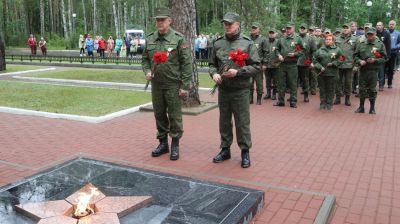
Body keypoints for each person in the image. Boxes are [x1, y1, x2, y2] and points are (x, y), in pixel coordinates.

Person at [209, 12, 260, 168]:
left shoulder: (247, 43)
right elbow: (211, 64)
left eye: (230, 24)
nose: (227, 26)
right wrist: (214, 73)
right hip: (224, 90)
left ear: (238, 25)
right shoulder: (218, 43)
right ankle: (225, 149)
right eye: (225, 23)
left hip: (240, 90)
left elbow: (256, 66)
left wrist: (238, 72)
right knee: (224, 122)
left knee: (242, 122)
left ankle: (245, 151)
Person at [142, 7, 192, 161]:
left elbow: (186, 63)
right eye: (157, 20)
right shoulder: (150, 39)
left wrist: (184, 86)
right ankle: (163, 143)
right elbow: (145, 60)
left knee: (175, 115)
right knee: (159, 114)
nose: (160, 22)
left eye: (162, 20)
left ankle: (175, 144)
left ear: (170, 21)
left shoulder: (178, 38)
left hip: (173, 84)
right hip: (156, 85)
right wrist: (147, 72)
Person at [354, 27, 387, 114]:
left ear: (375, 34)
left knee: (372, 90)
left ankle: (372, 108)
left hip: (373, 71)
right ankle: (361, 107)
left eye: (371, 34)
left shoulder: (380, 44)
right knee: (362, 89)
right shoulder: (361, 44)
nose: (370, 36)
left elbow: (385, 58)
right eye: (368, 34)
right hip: (363, 70)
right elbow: (355, 56)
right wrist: (359, 61)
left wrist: (375, 60)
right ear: (366, 34)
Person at [274, 22, 304, 108]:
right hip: (282, 65)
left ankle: (293, 101)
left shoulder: (298, 39)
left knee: (293, 84)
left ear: (293, 29)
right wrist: (278, 55)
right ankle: (280, 101)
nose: (288, 30)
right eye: (287, 28)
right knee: (281, 83)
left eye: (290, 28)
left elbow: (302, 50)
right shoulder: (281, 39)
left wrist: (295, 54)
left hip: (292, 65)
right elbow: (276, 49)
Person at [312, 34, 344, 110]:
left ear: (333, 41)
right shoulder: (320, 50)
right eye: (326, 39)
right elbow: (314, 60)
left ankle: (329, 104)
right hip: (322, 73)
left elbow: (342, 59)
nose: (328, 41)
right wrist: (320, 67)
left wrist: (333, 63)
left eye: (330, 39)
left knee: (331, 89)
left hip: (332, 73)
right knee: (322, 89)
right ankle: (322, 103)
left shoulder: (337, 49)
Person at [334, 23, 358, 106]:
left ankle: (347, 99)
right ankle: (337, 98)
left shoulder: (355, 39)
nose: (345, 29)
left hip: (349, 65)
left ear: (350, 29)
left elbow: (357, 53)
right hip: (338, 64)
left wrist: (356, 65)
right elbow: (334, 51)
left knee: (348, 82)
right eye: (343, 28)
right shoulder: (337, 39)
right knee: (337, 82)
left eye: (347, 28)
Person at [249, 22, 267, 105]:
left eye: (255, 28)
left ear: (258, 29)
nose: (253, 29)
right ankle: (250, 99)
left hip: (258, 64)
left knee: (259, 82)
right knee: (249, 83)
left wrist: (264, 64)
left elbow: (266, 52)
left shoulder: (262, 39)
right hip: (249, 65)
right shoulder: (247, 39)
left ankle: (259, 99)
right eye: (252, 28)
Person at [297, 23, 316, 103]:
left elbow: (314, 51)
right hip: (294, 62)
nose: (302, 29)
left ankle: (306, 95)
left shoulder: (310, 39)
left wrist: (310, 62)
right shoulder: (295, 38)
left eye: (303, 28)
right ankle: (293, 96)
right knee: (293, 80)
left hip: (305, 62)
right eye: (301, 28)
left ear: (306, 30)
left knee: (305, 80)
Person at [264, 28, 279, 101]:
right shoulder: (265, 42)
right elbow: (263, 52)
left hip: (275, 65)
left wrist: (278, 63)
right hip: (267, 65)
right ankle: (268, 93)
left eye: (272, 33)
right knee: (267, 80)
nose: (271, 34)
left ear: (275, 34)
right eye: (270, 33)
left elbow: (281, 53)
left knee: (275, 80)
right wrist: (263, 63)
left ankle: (274, 94)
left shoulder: (278, 42)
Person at [376, 22, 391, 91]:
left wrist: (387, 55)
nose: (378, 26)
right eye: (377, 25)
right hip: (374, 55)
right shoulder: (374, 33)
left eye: (379, 25)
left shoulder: (386, 33)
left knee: (381, 71)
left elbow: (388, 45)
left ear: (382, 26)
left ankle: (381, 85)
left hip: (382, 55)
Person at [387, 20, 400, 89]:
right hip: (385, 53)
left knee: (391, 68)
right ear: (388, 25)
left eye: (392, 24)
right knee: (383, 68)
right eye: (390, 24)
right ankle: (381, 83)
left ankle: (389, 83)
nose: (391, 25)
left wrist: (396, 46)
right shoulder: (385, 32)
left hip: (393, 52)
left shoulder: (398, 33)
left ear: (395, 25)